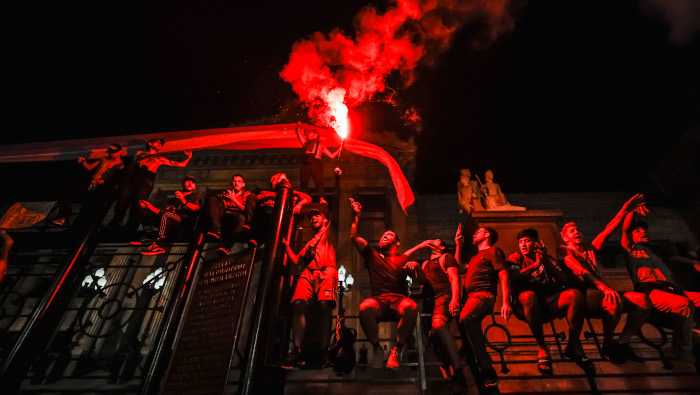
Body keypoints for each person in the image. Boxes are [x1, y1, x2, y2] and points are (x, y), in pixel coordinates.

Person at [556, 194, 651, 364]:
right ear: (565, 237)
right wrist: (604, 287)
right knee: (614, 302)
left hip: (601, 292)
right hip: (585, 294)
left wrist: (624, 210)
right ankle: (608, 343)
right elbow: (579, 270)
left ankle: (622, 342)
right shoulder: (563, 250)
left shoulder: (590, 248)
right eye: (572, 231)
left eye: (578, 229)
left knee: (642, 300)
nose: (576, 231)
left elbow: (609, 229)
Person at [349, 198, 433, 369]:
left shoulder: (403, 259)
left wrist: (417, 267)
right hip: (378, 300)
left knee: (410, 306)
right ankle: (377, 349)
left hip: (398, 301)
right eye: (382, 236)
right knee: (364, 307)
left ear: (397, 243)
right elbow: (354, 236)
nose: (383, 237)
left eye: (388, 235)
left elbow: (422, 280)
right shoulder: (372, 255)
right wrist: (356, 216)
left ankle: (396, 350)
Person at [621, 203, 700, 363]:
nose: (643, 232)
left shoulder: (655, 255)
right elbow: (626, 230)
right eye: (638, 231)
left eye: (644, 231)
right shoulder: (631, 249)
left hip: (672, 290)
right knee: (684, 304)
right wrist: (630, 210)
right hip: (651, 291)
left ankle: (694, 332)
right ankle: (683, 348)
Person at [507, 228, 592, 375]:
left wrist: (544, 259)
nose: (523, 245)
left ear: (536, 243)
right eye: (521, 242)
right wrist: (536, 264)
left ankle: (573, 344)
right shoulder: (515, 257)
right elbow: (514, 277)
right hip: (525, 304)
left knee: (575, 295)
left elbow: (563, 279)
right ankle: (542, 348)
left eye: (527, 241)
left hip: (548, 301)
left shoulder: (547, 258)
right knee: (528, 295)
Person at [408, 235, 474, 392]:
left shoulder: (446, 257)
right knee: (431, 339)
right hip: (428, 302)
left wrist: (455, 299)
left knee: (438, 325)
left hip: (443, 296)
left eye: (435, 241)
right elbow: (422, 281)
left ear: (442, 247)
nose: (431, 241)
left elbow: (454, 279)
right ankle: (448, 376)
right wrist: (417, 266)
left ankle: (458, 372)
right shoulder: (425, 263)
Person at [279, 208, 337, 369]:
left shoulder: (330, 232)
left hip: (326, 271)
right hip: (308, 273)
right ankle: (297, 350)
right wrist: (285, 245)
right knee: (298, 304)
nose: (313, 219)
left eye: (317, 216)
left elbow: (335, 214)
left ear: (325, 219)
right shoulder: (311, 241)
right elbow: (297, 260)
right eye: (311, 218)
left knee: (324, 306)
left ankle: (324, 350)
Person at [459, 227, 511, 389]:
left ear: (487, 234)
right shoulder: (476, 256)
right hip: (470, 297)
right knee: (463, 322)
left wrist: (506, 301)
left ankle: (485, 366)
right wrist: (458, 244)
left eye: (478, 231)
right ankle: (478, 364)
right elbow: (460, 268)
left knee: (466, 318)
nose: (474, 233)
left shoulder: (493, 251)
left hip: (483, 295)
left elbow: (504, 276)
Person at [108, 138, 192, 232]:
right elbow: (132, 165)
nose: (160, 144)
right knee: (124, 199)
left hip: (147, 177)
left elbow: (181, 164)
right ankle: (115, 222)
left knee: (138, 202)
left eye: (161, 144)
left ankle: (132, 225)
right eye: (158, 142)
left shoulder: (159, 158)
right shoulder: (140, 153)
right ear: (151, 143)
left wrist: (188, 158)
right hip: (135, 176)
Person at [52, 143, 124, 226]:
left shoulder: (121, 165)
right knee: (69, 191)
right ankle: (63, 217)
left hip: (102, 186)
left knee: (89, 204)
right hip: (90, 181)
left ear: (120, 152)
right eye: (110, 152)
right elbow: (90, 167)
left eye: (113, 152)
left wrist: (99, 182)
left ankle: (83, 223)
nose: (111, 154)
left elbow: (116, 181)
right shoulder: (104, 159)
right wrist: (83, 161)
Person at [137, 176, 201, 255]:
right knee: (145, 212)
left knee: (166, 214)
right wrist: (150, 207)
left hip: (185, 221)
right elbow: (162, 213)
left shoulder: (195, 196)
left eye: (193, 182)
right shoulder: (175, 198)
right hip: (171, 220)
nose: (190, 183)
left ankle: (159, 243)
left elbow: (197, 208)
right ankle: (147, 235)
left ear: (194, 186)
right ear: (183, 184)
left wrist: (184, 201)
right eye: (188, 181)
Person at [204, 174, 257, 256]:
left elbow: (246, 210)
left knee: (241, 218)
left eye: (239, 181)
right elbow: (219, 207)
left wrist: (234, 199)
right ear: (231, 183)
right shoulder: (226, 193)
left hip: (238, 216)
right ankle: (216, 231)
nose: (236, 183)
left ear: (243, 184)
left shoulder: (247, 195)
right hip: (224, 216)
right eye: (234, 181)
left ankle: (227, 246)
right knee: (212, 198)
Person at [295, 123, 340, 204]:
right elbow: (299, 133)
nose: (308, 135)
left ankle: (322, 199)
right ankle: (302, 198)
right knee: (304, 181)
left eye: (310, 133)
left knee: (319, 181)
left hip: (316, 162)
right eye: (307, 134)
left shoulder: (321, 144)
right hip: (307, 162)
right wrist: (299, 126)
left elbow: (332, 156)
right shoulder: (306, 143)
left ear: (315, 134)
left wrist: (339, 149)